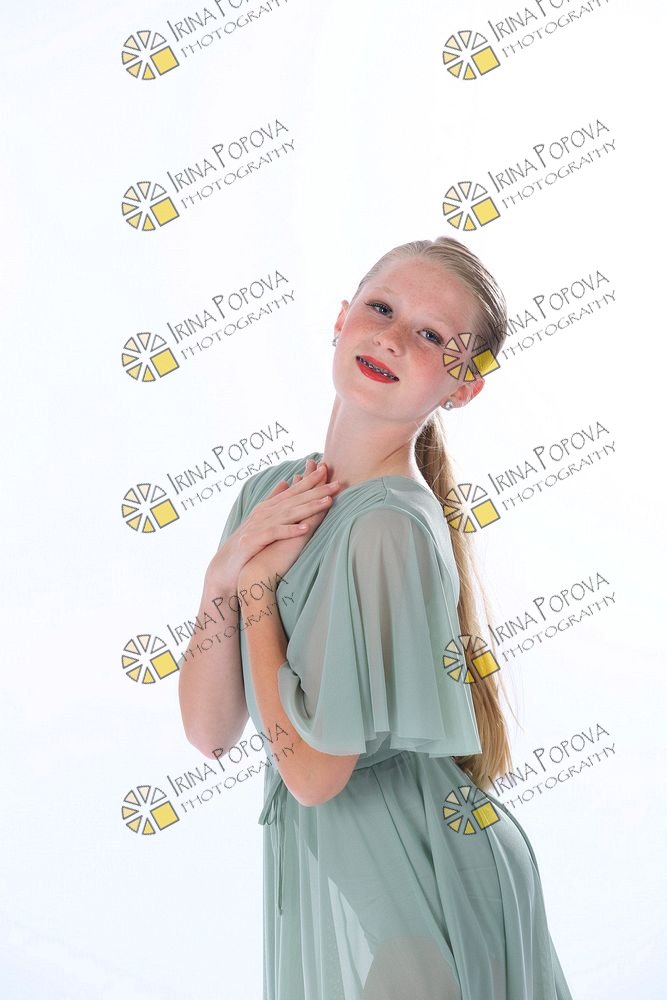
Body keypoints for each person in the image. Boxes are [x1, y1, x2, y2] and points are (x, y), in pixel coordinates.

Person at [178, 236, 574, 999]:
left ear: (462, 388)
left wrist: (256, 591)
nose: (392, 337)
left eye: (430, 335)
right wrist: (221, 576)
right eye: (381, 308)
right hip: (388, 902)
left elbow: (313, 775)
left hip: (434, 893)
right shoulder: (270, 497)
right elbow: (209, 731)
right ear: (341, 319)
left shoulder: (387, 526)